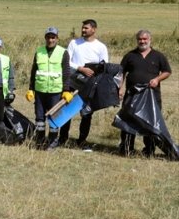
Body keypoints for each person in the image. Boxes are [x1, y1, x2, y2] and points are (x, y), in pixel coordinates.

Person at [118, 29, 172, 157]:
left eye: (145, 39)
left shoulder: (158, 56)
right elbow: (121, 73)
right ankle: (126, 148)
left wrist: (157, 79)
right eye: (140, 39)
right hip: (132, 95)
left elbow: (167, 71)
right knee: (128, 121)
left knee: (151, 123)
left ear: (150, 40)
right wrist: (120, 88)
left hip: (152, 97)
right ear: (137, 40)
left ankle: (149, 150)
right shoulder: (130, 55)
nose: (142, 41)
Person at [27, 26, 71, 150]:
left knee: (54, 119)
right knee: (39, 119)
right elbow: (34, 71)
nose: (50, 40)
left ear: (57, 38)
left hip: (55, 92)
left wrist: (66, 90)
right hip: (40, 91)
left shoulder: (63, 52)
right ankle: (39, 141)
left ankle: (52, 142)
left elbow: (66, 72)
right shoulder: (39, 51)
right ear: (45, 38)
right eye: (48, 37)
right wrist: (31, 89)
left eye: (53, 37)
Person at [67, 18, 110, 148]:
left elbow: (104, 66)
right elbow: (67, 61)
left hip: (90, 84)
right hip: (73, 81)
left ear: (94, 29)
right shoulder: (74, 43)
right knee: (67, 110)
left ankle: (81, 140)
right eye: (83, 28)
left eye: (86, 28)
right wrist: (80, 68)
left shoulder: (101, 47)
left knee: (86, 113)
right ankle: (62, 138)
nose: (83, 30)